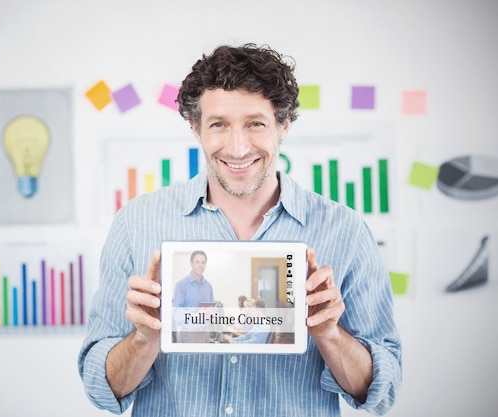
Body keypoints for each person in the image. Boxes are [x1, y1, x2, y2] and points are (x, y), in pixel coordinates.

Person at [78, 43, 402, 416]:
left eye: (255, 124)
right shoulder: (136, 224)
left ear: (284, 125)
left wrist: (331, 336)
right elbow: (99, 386)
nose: (237, 147)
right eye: (219, 125)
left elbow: (383, 390)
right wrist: (144, 339)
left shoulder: (344, 230)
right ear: (195, 128)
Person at [172, 250, 215, 343]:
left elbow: (212, 310)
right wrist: (196, 316)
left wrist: (210, 314)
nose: (200, 265)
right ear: (191, 263)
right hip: (189, 334)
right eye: (197, 262)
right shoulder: (181, 285)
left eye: (203, 262)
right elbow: (176, 312)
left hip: (205, 334)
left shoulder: (208, 286)